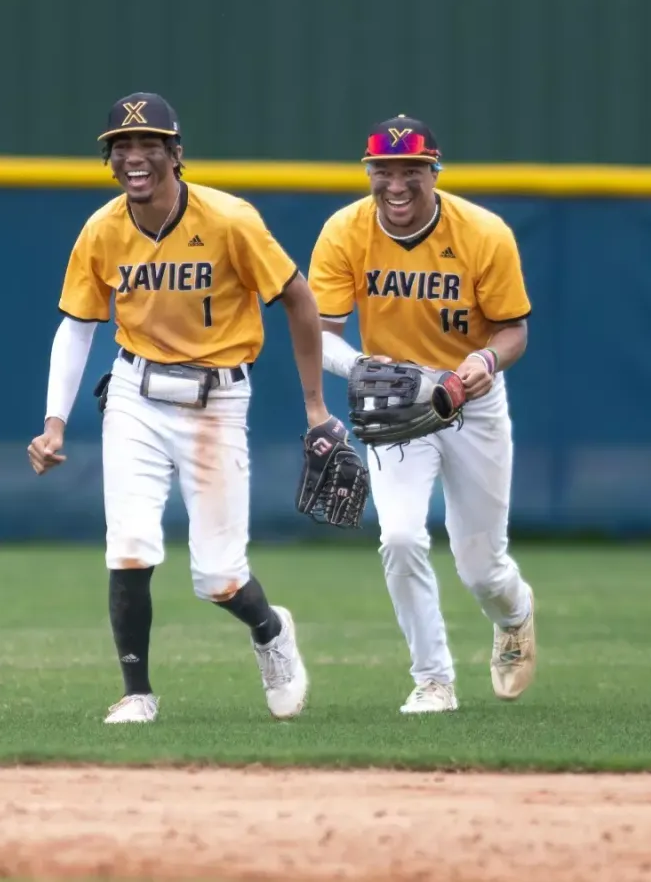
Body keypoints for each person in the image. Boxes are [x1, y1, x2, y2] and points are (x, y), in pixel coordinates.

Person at [27, 92, 333, 724]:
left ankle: (272, 631)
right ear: (110, 161)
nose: (134, 157)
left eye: (149, 145)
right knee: (130, 545)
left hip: (216, 399)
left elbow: (300, 302)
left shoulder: (230, 220)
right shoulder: (103, 229)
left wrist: (315, 408)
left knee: (218, 577)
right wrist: (54, 421)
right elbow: (78, 327)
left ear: (175, 153)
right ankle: (137, 693)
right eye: (122, 147)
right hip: (135, 395)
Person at [307, 115, 536, 714]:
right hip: (395, 404)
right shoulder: (345, 230)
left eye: (411, 170)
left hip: (472, 402)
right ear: (370, 174)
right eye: (384, 171)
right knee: (401, 536)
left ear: (434, 172)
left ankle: (514, 615)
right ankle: (434, 678)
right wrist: (359, 369)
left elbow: (514, 331)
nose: (397, 184)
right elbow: (321, 333)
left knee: (481, 569)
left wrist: (486, 359)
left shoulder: (484, 233)